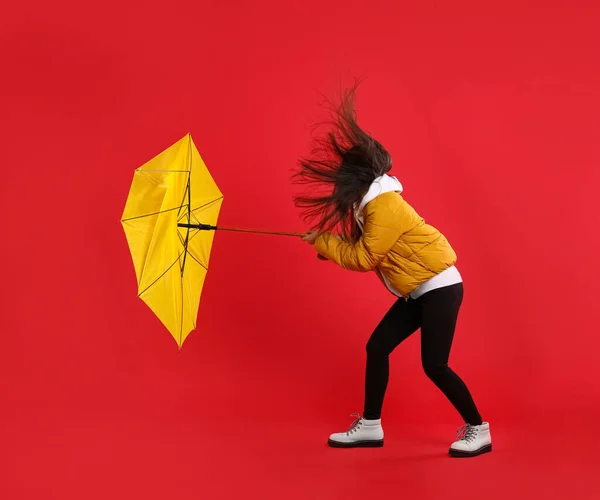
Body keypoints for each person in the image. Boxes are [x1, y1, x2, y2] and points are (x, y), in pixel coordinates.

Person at [293, 85, 491, 458]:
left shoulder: (383, 205)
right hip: (418, 290)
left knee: (434, 364)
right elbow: (369, 252)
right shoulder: (371, 205)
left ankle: (479, 429)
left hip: (440, 288)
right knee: (377, 347)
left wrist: (324, 243)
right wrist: (326, 247)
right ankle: (370, 426)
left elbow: (366, 259)